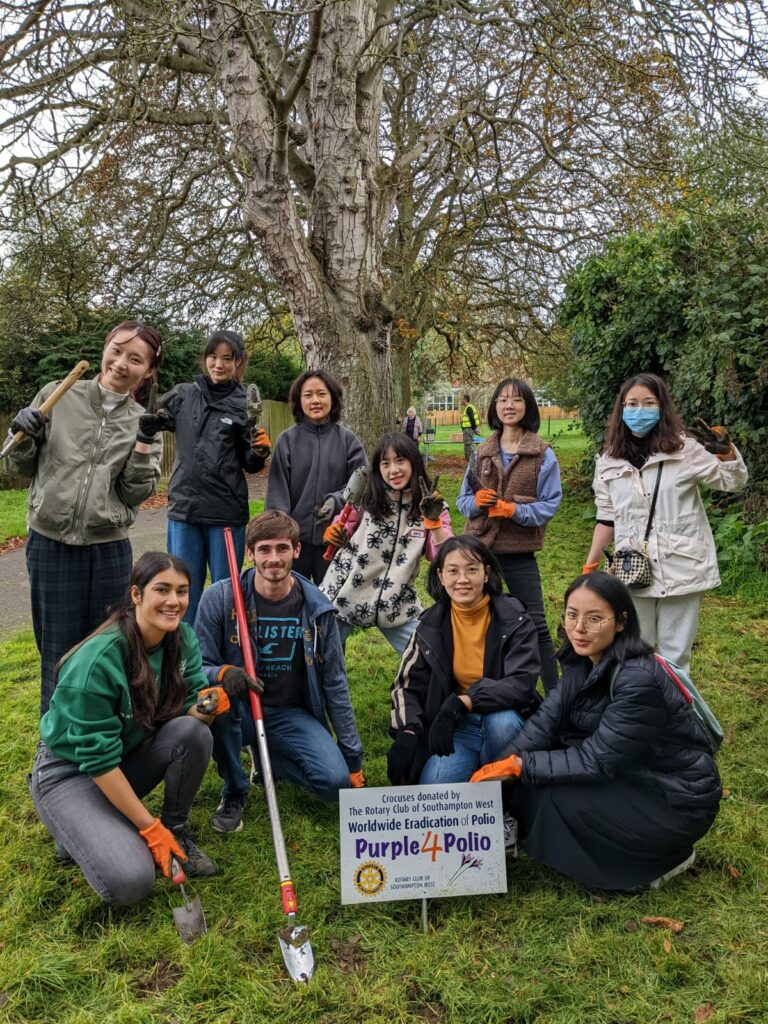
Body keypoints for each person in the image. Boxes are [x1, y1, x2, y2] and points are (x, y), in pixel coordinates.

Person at [28, 553, 256, 904]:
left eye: (182, 591)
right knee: (130, 881)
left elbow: (189, 717)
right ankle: (74, 823)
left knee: (194, 733)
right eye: (161, 589)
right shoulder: (96, 662)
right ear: (136, 595)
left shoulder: (183, 639)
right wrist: (148, 828)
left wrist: (208, 705)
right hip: (71, 771)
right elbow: (98, 762)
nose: (173, 601)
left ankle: (175, 832)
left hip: (125, 754)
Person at [471, 572, 722, 892]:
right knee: (535, 783)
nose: (579, 628)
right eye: (572, 615)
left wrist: (521, 767)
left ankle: (662, 860)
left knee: (556, 795)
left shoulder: (637, 678)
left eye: (594, 618)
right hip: (635, 773)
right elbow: (545, 722)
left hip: (675, 799)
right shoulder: (581, 660)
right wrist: (501, 766)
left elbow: (595, 761)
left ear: (621, 622)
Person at [5, 321, 164, 715]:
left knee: (105, 652)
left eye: (135, 359)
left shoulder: (143, 421)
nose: (121, 363)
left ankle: (101, 748)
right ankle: (53, 761)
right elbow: (18, 466)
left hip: (108, 549)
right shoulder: (58, 396)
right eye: (116, 350)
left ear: (147, 371)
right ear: (104, 349)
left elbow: (134, 492)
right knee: (57, 654)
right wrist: (20, 431)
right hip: (50, 544)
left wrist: (144, 441)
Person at [194, 510, 364, 834]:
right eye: (265, 549)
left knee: (333, 783)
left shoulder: (317, 608)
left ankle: (266, 754)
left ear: (296, 551)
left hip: (289, 711)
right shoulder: (220, 598)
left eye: (282, 549)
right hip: (239, 709)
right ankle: (234, 791)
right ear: (250, 553)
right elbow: (195, 668)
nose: (274, 558)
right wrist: (223, 674)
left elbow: (335, 684)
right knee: (218, 700)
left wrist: (352, 757)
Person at [582, 373, 748, 672]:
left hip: (683, 565)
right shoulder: (609, 461)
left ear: (662, 408)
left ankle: (675, 713)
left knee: (675, 656)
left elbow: (732, 482)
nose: (639, 410)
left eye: (648, 403)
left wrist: (725, 453)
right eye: (631, 403)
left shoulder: (686, 450)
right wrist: (590, 564)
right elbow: (606, 516)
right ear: (621, 410)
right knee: (635, 649)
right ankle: (640, 711)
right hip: (631, 568)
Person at [387, 535, 541, 786]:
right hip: (456, 725)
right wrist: (408, 730)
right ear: (440, 576)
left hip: (502, 718)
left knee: (502, 724)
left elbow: (522, 684)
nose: (462, 579)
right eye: (453, 571)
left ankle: (504, 796)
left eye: (472, 569)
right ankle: (477, 769)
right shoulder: (429, 625)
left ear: (486, 572)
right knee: (436, 790)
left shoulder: (515, 618)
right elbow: (406, 684)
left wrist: (466, 700)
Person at [145, 329, 272, 624]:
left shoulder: (244, 405)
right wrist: (149, 399)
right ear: (205, 359)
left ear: (239, 362)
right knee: (181, 589)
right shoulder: (183, 395)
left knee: (225, 594)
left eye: (227, 358)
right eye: (213, 357)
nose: (219, 364)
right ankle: (185, 656)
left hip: (225, 513)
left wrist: (259, 453)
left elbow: (249, 463)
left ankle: (222, 657)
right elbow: (147, 416)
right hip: (184, 510)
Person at [457, 378, 562, 693]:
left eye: (516, 400)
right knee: (484, 622)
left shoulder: (542, 454)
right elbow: (463, 501)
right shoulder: (482, 451)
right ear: (494, 408)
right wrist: (475, 503)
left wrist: (514, 511)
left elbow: (550, 504)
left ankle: (555, 693)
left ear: (527, 406)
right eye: (502, 400)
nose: (509, 405)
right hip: (480, 552)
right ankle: (487, 688)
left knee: (536, 624)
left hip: (518, 553)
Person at [321, 433, 452, 655]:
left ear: (414, 461)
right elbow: (343, 526)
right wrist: (335, 532)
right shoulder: (366, 496)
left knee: (428, 657)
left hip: (396, 602)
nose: (393, 470)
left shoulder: (432, 505)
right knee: (321, 657)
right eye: (385, 463)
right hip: (346, 593)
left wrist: (434, 522)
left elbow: (444, 555)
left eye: (400, 460)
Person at [265, 369, 367, 584]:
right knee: (292, 602)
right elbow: (277, 495)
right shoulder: (286, 441)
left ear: (332, 397)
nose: (315, 400)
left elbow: (362, 487)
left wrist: (336, 500)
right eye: (308, 395)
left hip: (334, 541)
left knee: (332, 606)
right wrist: (282, 538)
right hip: (295, 544)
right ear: (299, 401)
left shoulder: (349, 441)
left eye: (321, 394)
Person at [460, 392, 480, 462]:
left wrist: (474, 429)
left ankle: (470, 464)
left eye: (461, 399)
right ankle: (471, 463)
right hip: (468, 430)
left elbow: (472, 419)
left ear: (465, 400)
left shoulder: (469, 408)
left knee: (467, 447)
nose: (460, 400)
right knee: (469, 447)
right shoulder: (468, 407)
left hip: (468, 430)